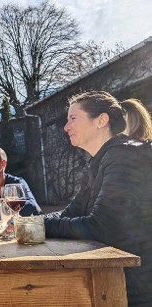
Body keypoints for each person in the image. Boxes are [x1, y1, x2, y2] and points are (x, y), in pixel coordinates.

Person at [44, 91, 152, 306]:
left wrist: (39, 226)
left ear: (101, 120)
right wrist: (29, 222)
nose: (66, 127)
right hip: (114, 277)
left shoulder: (124, 156)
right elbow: (70, 213)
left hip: (137, 288)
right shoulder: (100, 161)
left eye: (73, 119)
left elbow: (101, 226)